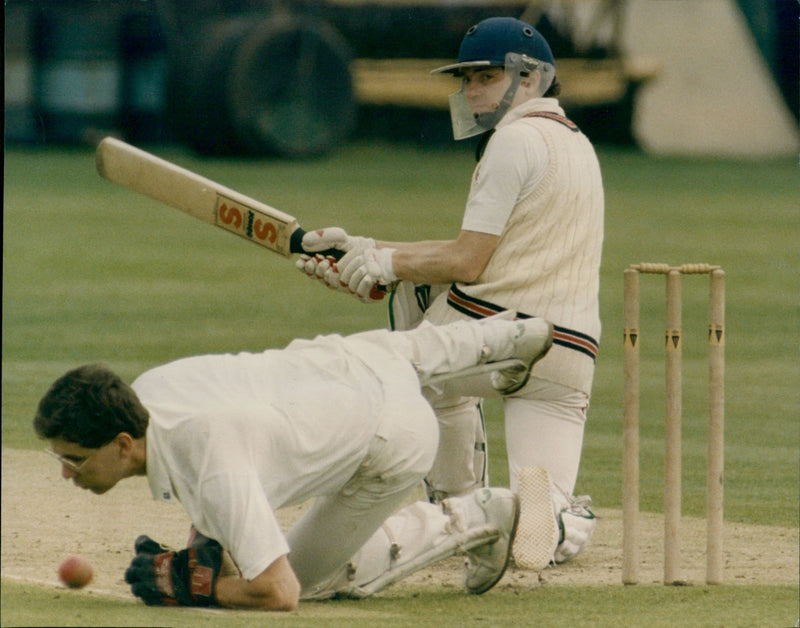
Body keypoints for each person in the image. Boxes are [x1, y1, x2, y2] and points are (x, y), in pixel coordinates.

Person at [296, 16, 603, 569]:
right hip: (570, 355)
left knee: (408, 344)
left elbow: (466, 260)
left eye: (485, 77)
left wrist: (385, 265)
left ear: (530, 78)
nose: (471, 91)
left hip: (493, 337)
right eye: (466, 80)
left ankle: (458, 504)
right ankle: (564, 521)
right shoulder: (577, 143)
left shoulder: (512, 140)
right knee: (537, 512)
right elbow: (483, 251)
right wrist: (364, 249)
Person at [34, 315, 553, 610]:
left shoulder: (214, 471)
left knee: (312, 580)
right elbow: (220, 459)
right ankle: (505, 336)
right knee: (399, 353)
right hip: (355, 360)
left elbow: (280, 592)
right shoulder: (149, 391)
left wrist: (197, 587)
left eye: (74, 460)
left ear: (124, 444)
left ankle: (473, 516)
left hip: (395, 435)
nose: (65, 473)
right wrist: (206, 549)